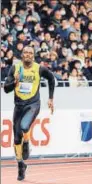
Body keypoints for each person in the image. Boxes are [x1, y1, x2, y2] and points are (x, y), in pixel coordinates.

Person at [4, 46, 55, 181]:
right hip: (19, 106)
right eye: (25, 52)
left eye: (30, 53)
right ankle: (21, 165)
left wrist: (50, 98)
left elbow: (51, 79)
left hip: (33, 104)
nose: (27, 55)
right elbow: (5, 89)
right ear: (22, 54)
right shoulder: (15, 68)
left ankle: (26, 141)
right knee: (15, 139)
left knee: (24, 126)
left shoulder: (39, 69)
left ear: (33, 56)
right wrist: (14, 82)